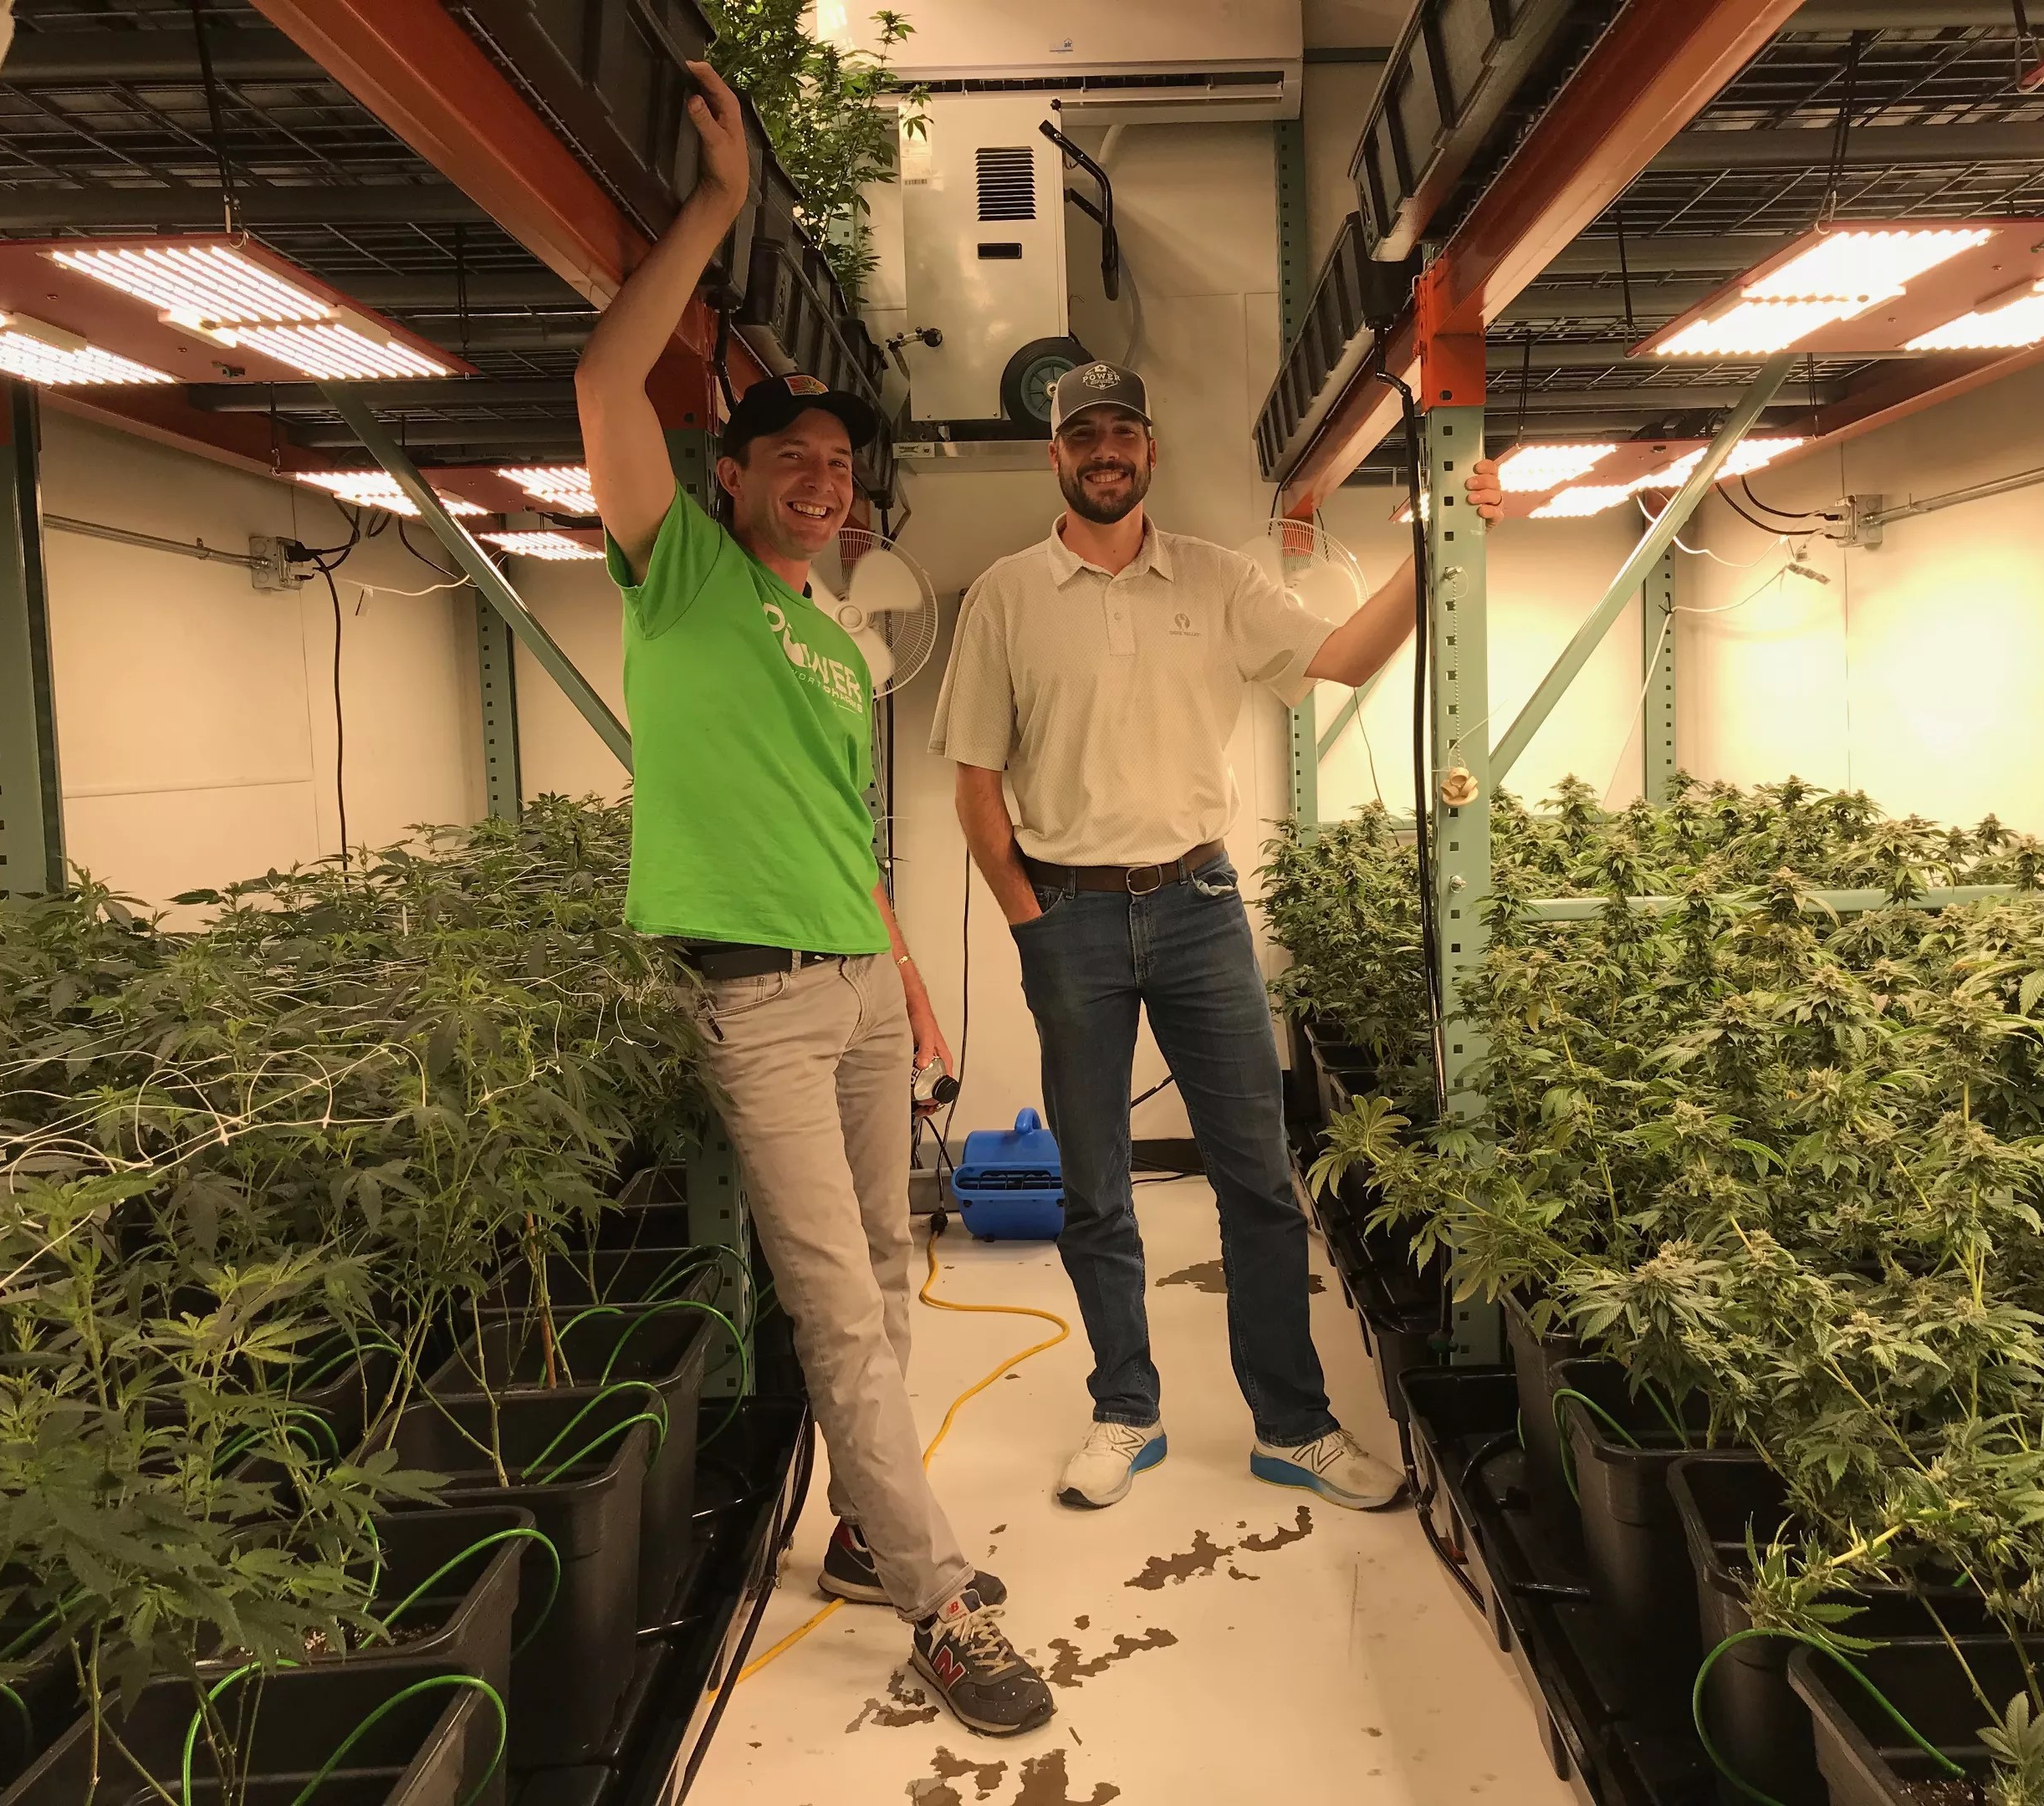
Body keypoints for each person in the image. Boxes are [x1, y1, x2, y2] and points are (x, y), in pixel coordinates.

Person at [575, 62, 1053, 1739]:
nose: (824, 479)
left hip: (854, 989)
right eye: (791, 456)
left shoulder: (841, 648)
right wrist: (720, 206)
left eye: (841, 463)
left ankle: (862, 1530)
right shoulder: (683, 581)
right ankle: (937, 1600)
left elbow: (851, 841)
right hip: (759, 1003)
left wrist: (908, 985)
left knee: (893, 1278)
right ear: (729, 476)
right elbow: (603, 379)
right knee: (839, 1309)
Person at [930, 360, 1502, 1512]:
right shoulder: (1006, 595)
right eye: (1083, 434)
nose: (1105, 451)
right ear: (1055, 454)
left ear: (1150, 449)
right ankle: (1124, 1410)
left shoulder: (1218, 579)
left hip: (1199, 908)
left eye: (1122, 432)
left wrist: (1444, 540)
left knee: (1258, 1177)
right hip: (1070, 915)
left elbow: (1344, 657)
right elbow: (977, 784)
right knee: (1095, 1186)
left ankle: (1293, 1425)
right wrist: (1032, 924)